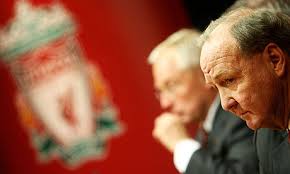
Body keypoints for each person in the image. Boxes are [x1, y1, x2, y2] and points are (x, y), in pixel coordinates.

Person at [148, 28, 258, 174]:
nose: (165, 103)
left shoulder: (241, 114)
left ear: (204, 74)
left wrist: (181, 145)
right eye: (160, 91)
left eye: (172, 85)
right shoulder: (203, 135)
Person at [199, 7, 290, 174]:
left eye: (229, 80)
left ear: (274, 60)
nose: (226, 104)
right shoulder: (265, 136)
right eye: (215, 88)